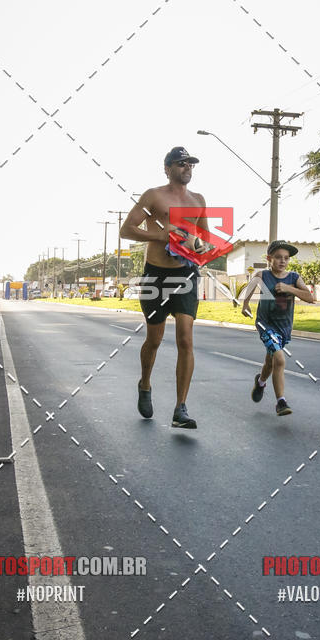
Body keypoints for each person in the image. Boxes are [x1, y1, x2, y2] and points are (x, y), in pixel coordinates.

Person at [120, 146, 209, 429]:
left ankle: (180, 408)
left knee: (186, 338)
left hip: (184, 275)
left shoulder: (198, 200)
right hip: (155, 276)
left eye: (191, 164)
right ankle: (145, 383)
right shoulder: (153, 196)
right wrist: (160, 235)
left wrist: (195, 246)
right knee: (155, 339)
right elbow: (127, 230)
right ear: (168, 168)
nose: (187, 168)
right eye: (182, 164)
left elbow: (205, 240)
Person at [241, 240, 314, 416]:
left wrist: (290, 288)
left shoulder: (294, 278)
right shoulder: (262, 275)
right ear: (269, 258)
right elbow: (249, 290)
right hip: (265, 324)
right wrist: (245, 305)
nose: (282, 261)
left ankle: (260, 382)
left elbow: (310, 298)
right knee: (279, 360)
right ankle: (281, 402)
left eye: (286, 258)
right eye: (278, 257)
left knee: (270, 361)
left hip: (284, 327)